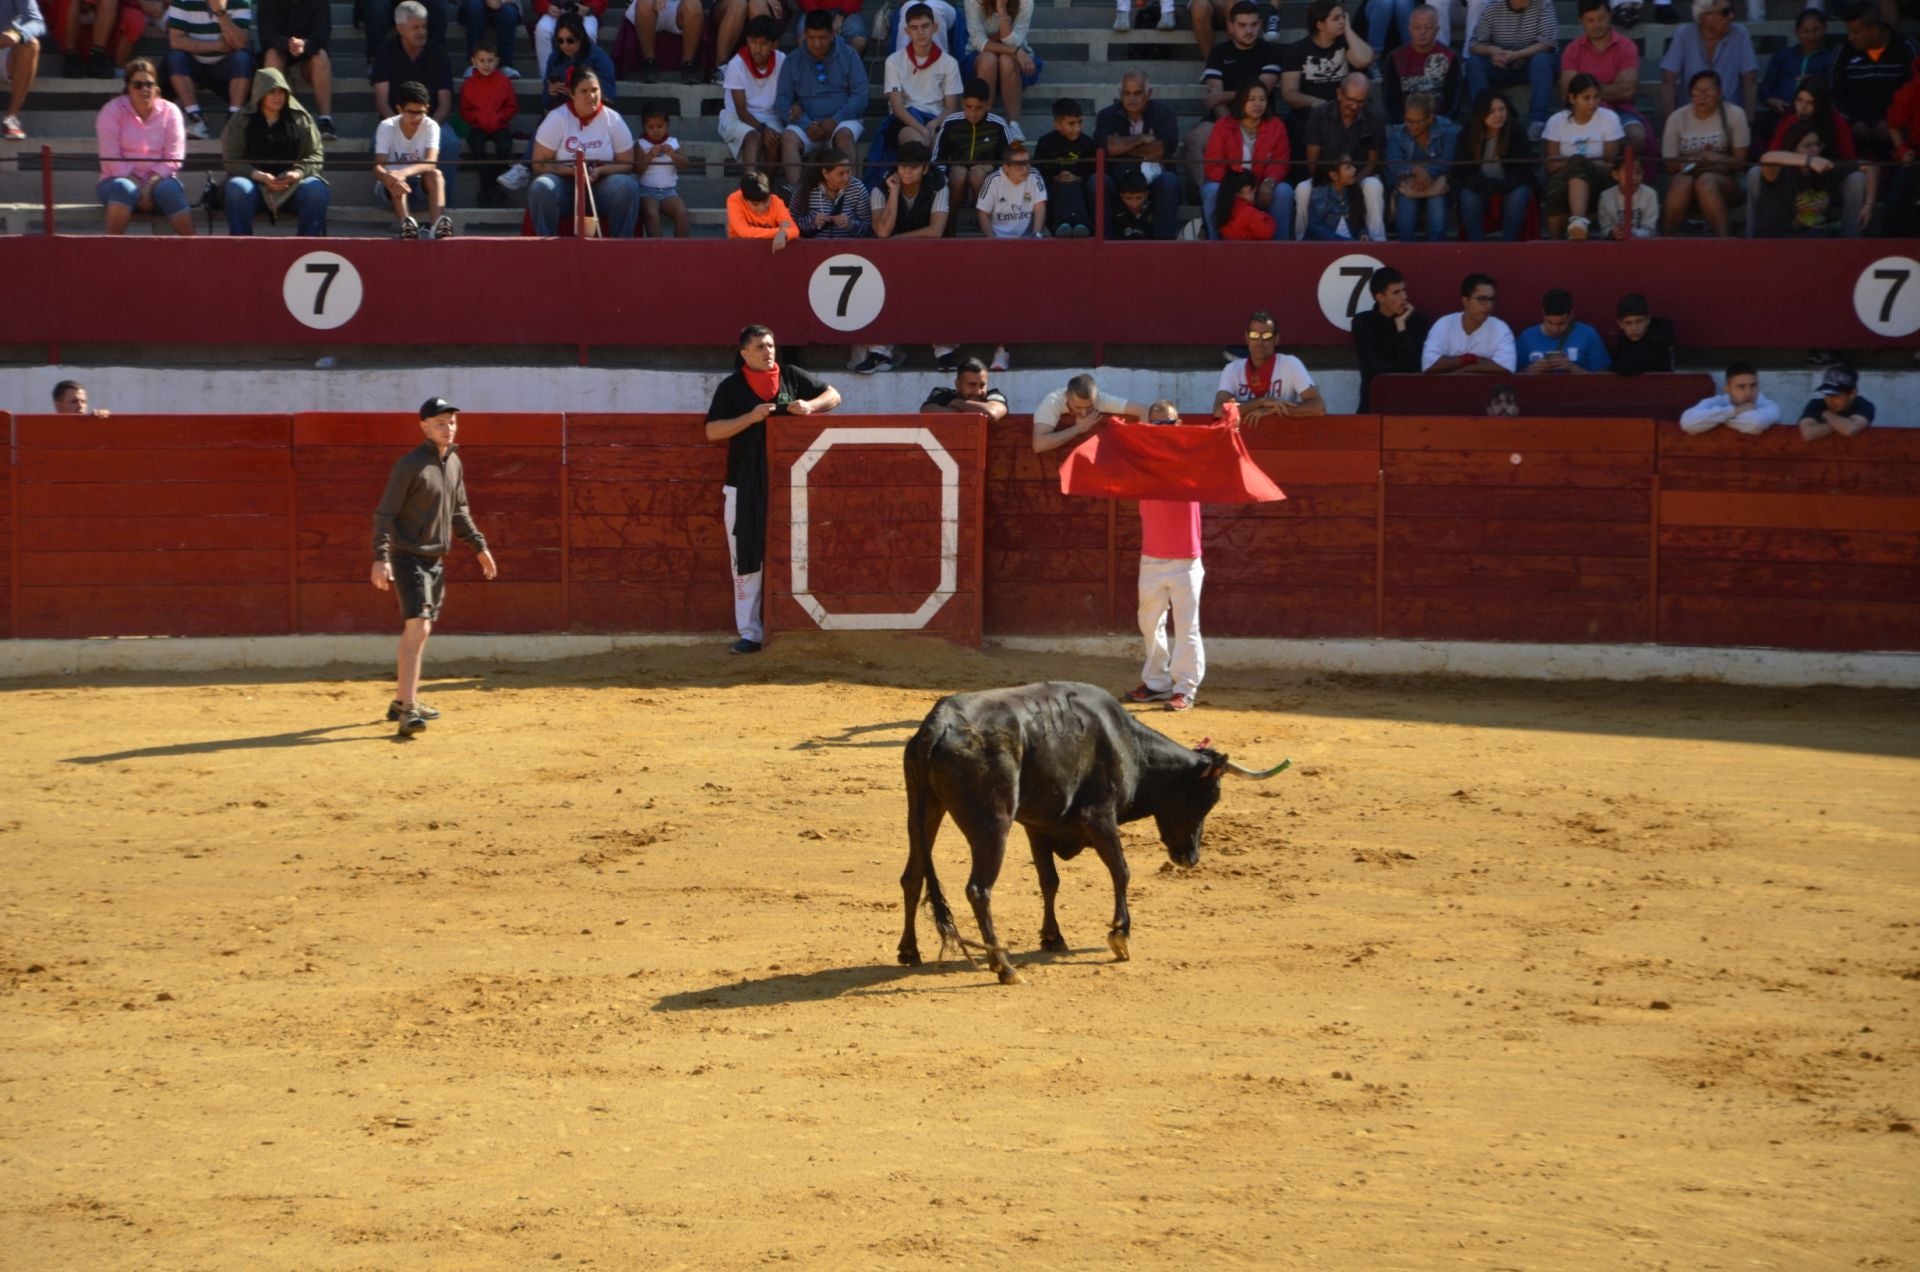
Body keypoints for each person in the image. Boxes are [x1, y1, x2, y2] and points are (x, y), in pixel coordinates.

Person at [703, 324, 841, 654]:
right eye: (761, 347)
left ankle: (799, 626)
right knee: (745, 560)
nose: (769, 352)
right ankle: (750, 632)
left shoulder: (792, 376)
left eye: (771, 345)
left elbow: (834, 395)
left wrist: (810, 407)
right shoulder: (732, 387)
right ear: (744, 353)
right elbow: (712, 432)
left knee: (798, 552)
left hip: (793, 483)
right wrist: (750, 418)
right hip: (743, 484)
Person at [372, 397, 498, 738]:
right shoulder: (409, 465)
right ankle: (409, 711)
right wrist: (381, 558)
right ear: (424, 426)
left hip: (434, 560)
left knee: (420, 629)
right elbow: (385, 514)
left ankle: (402, 700)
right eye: (440, 422)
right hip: (408, 556)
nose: (448, 428)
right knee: (420, 628)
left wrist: (479, 546)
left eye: (452, 422)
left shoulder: (454, 463)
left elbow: (459, 511)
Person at [1126, 398, 1209, 714]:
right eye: (1157, 424)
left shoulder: (1193, 458)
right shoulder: (1142, 460)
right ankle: (1158, 683)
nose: (1164, 430)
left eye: (1169, 424)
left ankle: (1185, 688)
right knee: (1149, 623)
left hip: (1186, 558)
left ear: (1179, 425)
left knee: (1187, 626)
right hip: (1152, 556)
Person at [862, 141, 955, 374]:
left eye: (913, 167)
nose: (906, 172)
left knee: (937, 291)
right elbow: (882, 232)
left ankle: (945, 352)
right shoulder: (882, 187)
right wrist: (893, 193)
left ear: (925, 169)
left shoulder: (938, 185)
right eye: (903, 166)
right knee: (880, 291)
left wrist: (898, 240)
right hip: (888, 259)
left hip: (930, 255)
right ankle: (879, 353)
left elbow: (936, 231)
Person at [1181, 1, 1280, 195]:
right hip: (1224, 118)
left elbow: (1261, 92)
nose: (1248, 30)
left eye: (1253, 25)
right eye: (1242, 25)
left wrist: (1223, 96)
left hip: (1261, 118)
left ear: (1260, 24)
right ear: (1231, 27)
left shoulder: (1271, 52)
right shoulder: (1218, 53)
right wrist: (1231, 127)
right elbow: (1215, 101)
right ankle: (1207, 197)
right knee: (1194, 140)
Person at [528, 68, 639, 235]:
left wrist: (601, 170)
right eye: (584, 91)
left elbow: (627, 163)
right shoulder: (557, 118)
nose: (591, 96)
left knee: (628, 186)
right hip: (565, 186)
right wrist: (572, 171)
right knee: (541, 187)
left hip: (602, 186)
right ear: (572, 94)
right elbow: (539, 164)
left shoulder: (613, 119)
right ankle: (546, 250)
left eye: (595, 90)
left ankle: (620, 249)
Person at [221, 66, 330, 235]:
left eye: (282, 92)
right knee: (237, 188)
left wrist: (298, 173)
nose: (277, 97)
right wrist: (258, 175)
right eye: (272, 92)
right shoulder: (241, 120)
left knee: (316, 190)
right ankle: (241, 248)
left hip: (294, 186)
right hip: (255, 186)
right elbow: (231, 159)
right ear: (260, 94)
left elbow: (316, 154)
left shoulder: (300, 118)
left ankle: (308, 248)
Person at [95, 58, 194, 235]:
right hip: (118, 182)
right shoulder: (112, 111)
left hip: (159, 182)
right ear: (128, 88)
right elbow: (110, 158)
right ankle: (110, 249)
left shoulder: (171, 111)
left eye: (149, 84)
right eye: (138, 84)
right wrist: (137, 185)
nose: (144, 89)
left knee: (170, 190)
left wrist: (148, 187)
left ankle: (195, 249)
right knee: (124, 188)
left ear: (156, 87)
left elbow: (174, 158)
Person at [774, 9, 865, 193]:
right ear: (804, 35)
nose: (816, 43)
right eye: (812, 37)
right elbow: (782, 101)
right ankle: (798, 192)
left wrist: (835, 120)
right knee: (788, 138)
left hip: (842, 120)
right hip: (807, 124)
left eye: (822, 37)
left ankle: (852, 193)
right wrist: (805, 123)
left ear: (832, 34)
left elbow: (860, 96)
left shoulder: (849, 55)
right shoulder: (793, 60)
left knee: (844, 135)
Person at [1293, 72, 1385, 241]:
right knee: (1302, 190)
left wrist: (1352, 183)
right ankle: (1301, 244)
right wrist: (1333, 183)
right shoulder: (1319, 114)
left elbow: (1372, 163)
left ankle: (1377, 242)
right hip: (1326, 177)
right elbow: (1312, 161)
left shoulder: (1374, 118)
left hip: (1358, 177)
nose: (1355, 106)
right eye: (1351, 99)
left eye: (1361, 101)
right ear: (1339, 94)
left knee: (1373, 186)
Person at [1661, 70, 1747, 237]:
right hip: (1687, 175)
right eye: (1697, 91)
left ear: (1720, 93)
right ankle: (1666, 240)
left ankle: (1724, 243)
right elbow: (1669, 165)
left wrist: (1715, 158)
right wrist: (1699, 159)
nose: (1702, 96)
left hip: (1726, 180)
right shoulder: (1677, 118)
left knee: (1705, 181)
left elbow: (1740, 162)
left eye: (1708, 91)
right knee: (1681, 182)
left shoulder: (1735, 114)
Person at [1200, 80, 1291, 239]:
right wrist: (1238, 187)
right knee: (1212, 190)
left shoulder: (1276, 126)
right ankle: (1214, 244)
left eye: (1262, 99)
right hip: (1230, 186)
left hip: (1262, 186)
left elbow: (1280, 161)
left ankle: (1280, 246)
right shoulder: (1223, 125)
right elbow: (1213, 164)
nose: (1258, 104)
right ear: (1241, 101)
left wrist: (1268, 183)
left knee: (1284, 191)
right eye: (1252, 99)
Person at [1095, 70, 1180, 239]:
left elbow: (1160, 150)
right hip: (1119, 178)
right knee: (1096, 181)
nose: (1131, 98)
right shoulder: (1107, 115)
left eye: (1137, 93)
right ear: (1120, 94)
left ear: (1148, 94)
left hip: (1154, 179)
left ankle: (1163, 247)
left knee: (1169, 181)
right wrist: (1141, 139)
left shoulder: (1164, 113)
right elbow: (1106, 148)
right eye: (1127, 93)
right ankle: (1103, 243)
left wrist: (1122, 144)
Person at [1750, 120, 1872, 237]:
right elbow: (1766, 158)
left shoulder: (1823, 166)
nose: (1815, 149)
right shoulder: (1781, 171)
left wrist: (1868, 204)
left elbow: (1870, 167)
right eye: (1808, 145)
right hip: (1779, 240)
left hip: (1814, 240)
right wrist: (1809, 161)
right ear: (1793, 148)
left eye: (1817, 144)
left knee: (1858, 177)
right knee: (1754, 171)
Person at [1278, 0, 1373, 147]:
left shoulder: (1347, 44)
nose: (1341, 21)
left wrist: (1347, 29)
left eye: (1343, 17)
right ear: (1320, 24)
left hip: (1346, 108)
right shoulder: (1296, 50)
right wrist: (1315, 102)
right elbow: (1289, 93)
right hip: (1311, 112)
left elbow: (1365, 59)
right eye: (1336, 19)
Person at [1542, 71, 1623, 240]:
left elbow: (1609, 164)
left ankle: (1577, 222)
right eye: (1586, 98)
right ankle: (1561, 238)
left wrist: (1576, 162)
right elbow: (1550, 166)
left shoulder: (1609, 119)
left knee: (1578, 164)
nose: (1592, 103)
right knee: (1560, 183)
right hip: (1563, 181)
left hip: (1599, 181)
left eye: (1596, 97)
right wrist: (1579, 161)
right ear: (1572, 99)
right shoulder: (1556, 121)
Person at [1832, 5, 1917, 162]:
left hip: (1898, 131)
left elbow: (1915, 92)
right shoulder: (1844, 49)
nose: (1850, 37)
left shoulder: (1905, 47)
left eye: (1856, 32)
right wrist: (1853, 121)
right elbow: (1836, 94)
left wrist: (1891, 123)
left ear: (1875, 30)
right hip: (1856, 131)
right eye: (1849, 32)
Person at [1560, 0, 1645, 154]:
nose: (1596, 25)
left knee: (1636, 135)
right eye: (1590, 20)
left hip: (1620, 111)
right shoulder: (1572, 50)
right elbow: (1568, 93)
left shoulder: (1626, 46)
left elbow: (1627, 92)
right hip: (1581, 112)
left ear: (1610, 16)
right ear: (1581, 21)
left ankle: (1618, 175)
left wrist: (1588, 89)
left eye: (1601, 18)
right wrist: (1608, 89)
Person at [1464, 0, 1556, 138]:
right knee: (1474, 63)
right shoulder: (1492, 8)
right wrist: (1492, 51)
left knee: (1542, 60)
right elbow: (1474, 45)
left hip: (1531, 65)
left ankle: (1538, 120)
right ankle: (1482, 117)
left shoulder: (1544, 5)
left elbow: (1547, 43)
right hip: (1500, 65)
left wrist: (1517, 55)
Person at [1659, 0, 1757, 127]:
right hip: (1690, 117)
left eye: (1732, 11)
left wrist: (1748, 122)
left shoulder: (1740, 33)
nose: (1731, 16)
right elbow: (1668, 80)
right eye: (1725, 12)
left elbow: (1750, 79)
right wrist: (1671, 124)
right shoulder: (1684, 34)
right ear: (1705, 17)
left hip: (1729, 119)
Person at [374, 80, 450, 238]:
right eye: (411, 112)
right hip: (391, 189)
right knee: (396, 179)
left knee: (436, 174)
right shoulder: (386, 126)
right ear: (399, 109)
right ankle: (406, 225)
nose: (417, 118)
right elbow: (378, 166)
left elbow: (431, 162)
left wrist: (403, 172)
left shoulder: (431, 126)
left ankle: (437, 226)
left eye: (421, 112)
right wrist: (391, 176)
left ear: (427, 109)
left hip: (420, 187)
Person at [1455, 88, 1535, 240]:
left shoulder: (1516, 131)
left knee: (1518, 195)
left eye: (1501, 109)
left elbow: (1523, 170)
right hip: (1480, 185)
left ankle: (1508, 245)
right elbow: (1462, 171)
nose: (1498, 115)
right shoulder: (1468, 133)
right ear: (1481, 113)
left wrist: (1504, 185)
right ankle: (1476, 246)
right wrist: (1485, 184)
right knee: (1467, 196)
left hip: (1510, 185)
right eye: (1492, 111)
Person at [166, 0, 252, 140]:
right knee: (175, 58)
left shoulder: (241, 2)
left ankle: (233, 122)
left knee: (243, 59)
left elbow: (240, 42)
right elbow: (176, 41)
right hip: (194, 62)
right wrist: (216, 46)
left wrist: (220, 12)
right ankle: (196, 119)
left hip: (226, 65)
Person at [1215, 311, 1323, 419]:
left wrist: (1272, 410)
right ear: (1247, 337)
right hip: (1243, 434)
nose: (1259, 341)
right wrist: (1261, 402)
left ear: (1276, 339)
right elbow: (1219, 411)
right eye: (1254, 335)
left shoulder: (1290, 364)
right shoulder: (1232, 369)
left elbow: (1318, 407)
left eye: (1266, 336)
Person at [1351, 265, 1430, 412]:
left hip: (1411, 406)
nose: (1404, 297)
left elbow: (1415, 368)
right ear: (1380, 297)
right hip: (1374, 405)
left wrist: (1401, 327)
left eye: (1404, 290)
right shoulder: (1363, 323)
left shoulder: (1417, 322)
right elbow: (1373, 369)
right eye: (1396, 293)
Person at [882, 4, 960, 153]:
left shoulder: (950, 63)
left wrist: (933, 124)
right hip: (905, 120)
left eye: (925, 26)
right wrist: (922, 130)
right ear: (907, 31)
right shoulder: (894, 61)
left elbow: (950, 107)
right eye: (914, 28)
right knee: (917, 145)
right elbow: (897, 107)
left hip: (937, 119)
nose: (920, 32)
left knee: (938, 145)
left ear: (935, 27)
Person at [933, 77, 1011, 223]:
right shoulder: (951, 123)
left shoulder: (998, 124)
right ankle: (950, 223)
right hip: (955, 183)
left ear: (988, 105)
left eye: (979, 108)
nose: (973, 113)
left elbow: (1009, 160)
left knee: (977, 174)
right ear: (962, 103)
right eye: (968, 107)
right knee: (959, 173)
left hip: (986, 182)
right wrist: (944, 178)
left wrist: (991, 166)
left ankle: (986, 224)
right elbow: (937, 160)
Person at [717, 14, 783, 177]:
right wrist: (763, 129)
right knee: (754, 137)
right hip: (737, 117)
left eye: (763, 43)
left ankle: (765, 189)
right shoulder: (736, 65)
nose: (757, 48)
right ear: (746, 40)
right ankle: (749, 186)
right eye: (753, 42)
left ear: (774, 44)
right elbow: (742, 112)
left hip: (770, 115)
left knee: (774, 142)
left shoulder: (782, 60)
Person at [257, 0, 334, 138]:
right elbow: (266, 35)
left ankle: (325, 120)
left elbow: (322, 34)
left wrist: (305, 45)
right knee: (271, 56)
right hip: (280, 49)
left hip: (308, 52)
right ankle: (275, 119)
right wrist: (287, 44)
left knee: (321, 56)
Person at [1387, 89, 1456, 242]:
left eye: (1416, 122)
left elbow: (1448, 161)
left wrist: (1428, 174)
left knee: (1436, 212)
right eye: (1407, 120)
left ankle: (1436, 258)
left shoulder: (1448, 130)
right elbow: (1393, 162)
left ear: (1430, 119)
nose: (1410, 125)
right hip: (1408, 183)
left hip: (1437, 184)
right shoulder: (1397, 133)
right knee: (1405, 223)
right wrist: (1415, 170)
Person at [371, 1, 453, 130]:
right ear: (400, 29)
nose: (421, 32)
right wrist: (400, 130)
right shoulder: (384, 54)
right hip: (395, 124)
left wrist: (429, 130)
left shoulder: (439, 54)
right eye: (415, 27)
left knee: (449, 143)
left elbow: (445, 104)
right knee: (378, 143)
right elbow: (381, 103)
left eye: (424, 26)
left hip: (431, 122)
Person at [1758, 8, 1836, 144]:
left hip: (1814, 118)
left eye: (1816, 30)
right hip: (1780, 115)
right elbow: (1765, 87)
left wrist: (1814, 81)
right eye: (1805, 31)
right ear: (1797, 32)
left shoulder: (1830, 58)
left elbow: (1834, 88)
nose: (1811, 36)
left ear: (1825, 28)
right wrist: (1771, 100)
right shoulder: (1784, 56)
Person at [1421, 272, 1515, 374]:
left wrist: (1464, 369)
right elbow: (1428, 365)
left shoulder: (1501, 328)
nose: (1489, 305)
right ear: (1465, 301)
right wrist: (1469, 359)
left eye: (1492, 299)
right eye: (1482, 299)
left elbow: (1506, 368)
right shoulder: (1444, 324)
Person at [1031, 372, 1147, 453]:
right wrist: (1078, 429)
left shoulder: (1100, 399)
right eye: (1077, 407)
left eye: (1090, 406)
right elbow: (1039, 445)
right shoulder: (1053, 401)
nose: (1084, 412)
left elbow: (1144, 410)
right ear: (1066, 396)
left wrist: (1138, 448)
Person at [964, 0, 1039, 126]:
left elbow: (1015, 42)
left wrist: (1001, 8)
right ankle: (984, 122)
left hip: (1014, 58)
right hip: (978, 56)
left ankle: (1014, 125)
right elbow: (978, 41)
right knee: (988, 60)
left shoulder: (1026, 2)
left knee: (1007, 60)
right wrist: (1015, 51)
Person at [459, 36, 515, 204]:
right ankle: (490, 188)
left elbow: (512, 106)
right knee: (476, 146)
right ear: (473, 62)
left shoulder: (504, 82)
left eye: (490, 60)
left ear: (497, 61)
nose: (486, 64)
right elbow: (464, 110)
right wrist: (475, 118)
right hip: (478, 126)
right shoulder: (469, 84)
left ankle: (489, 187)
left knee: (505, 146)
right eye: (482, 60)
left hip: (500, 125)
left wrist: (501, 117)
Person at [1381, 4, 1459, 120]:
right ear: (1410, 28)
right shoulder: (1395, 57)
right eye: (1417, 27)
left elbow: (1453, 100)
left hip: (1439, 123)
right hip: (1406, 122)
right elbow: (1390, 100)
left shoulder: (1451, 57)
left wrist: (1441, 123)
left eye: (1428, 27)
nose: (1422, 32)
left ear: (1437, 30)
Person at [1033, 97, 1095, 236]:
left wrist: (1078, 178)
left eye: (1080, 122)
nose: (1077, 128)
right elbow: (1038, 172)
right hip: (1055, 192)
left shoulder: (1088, 143)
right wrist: (1056, 177)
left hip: (1081, 191)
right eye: (1071, 124)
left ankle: (1080, 224)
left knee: (1072, 186)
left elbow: (1093, 171)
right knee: (1064, 186)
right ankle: (1062, 224)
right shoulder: (1045, 143)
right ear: (1058, 125)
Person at [1515, 288, 1611, 374]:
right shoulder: (1526, 337)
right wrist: (1531, 371)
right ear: (1543, 313)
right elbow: (1514, 377)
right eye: (1550, 323)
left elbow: (1602, 377)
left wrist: (1573, 368)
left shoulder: (1588, 335)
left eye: (1561, 324)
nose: (1555, 329)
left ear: (1571, 315)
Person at [630, 100, 689, 236]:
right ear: (644, 127)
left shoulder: (673, 143)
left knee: (683, 214)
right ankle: (657, 251)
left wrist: (672, 154)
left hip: (669, 192)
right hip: (647, 192)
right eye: (651, 127)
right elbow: (636, 170)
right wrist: (650, 155)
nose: (655, 130)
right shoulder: (641, 144)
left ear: (667, 125)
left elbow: (685, 165)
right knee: (651, 214)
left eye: (660, 126)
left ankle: (682, 251)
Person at [53, 0, 152, 80]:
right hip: (69, 27)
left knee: (134, 19)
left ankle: (101, 61)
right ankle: (70, 57)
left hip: (107, 33)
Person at [1678, 361, 1781, 434]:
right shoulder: (1716, 402)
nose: (1748, 392)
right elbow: (1687, 422)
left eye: (1753, 385)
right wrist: (1734, 411)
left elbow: (1755, 424)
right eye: (1741, 387)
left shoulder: (1770, 406)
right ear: (1727, 389)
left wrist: (1717, 419)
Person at [794, 144, 873, 237]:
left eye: (848, 171)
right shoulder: (805, 188)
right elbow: (791, 222)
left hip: (848, 249)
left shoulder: (857, 188)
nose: (847, 178)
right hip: (814, 247)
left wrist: (850, 224)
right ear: (825, 174)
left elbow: (869, 228)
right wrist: (812, 222)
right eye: (841, 174)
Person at [976, 139, 1045, 238]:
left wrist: (1037, 235)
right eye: (1019, 165)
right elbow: (983, 213)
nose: (1025, 169)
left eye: (1027, 163)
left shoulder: (1034, 175)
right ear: (1006, 167)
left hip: (1027, 239)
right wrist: (992, 241)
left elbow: (1040, 207)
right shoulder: (994, 180)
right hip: (998, 238)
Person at [629, 0, 705, 84]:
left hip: (680, 6)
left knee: (693, 4)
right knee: (645, 3)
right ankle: (649, 63)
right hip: (650, 5)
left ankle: (688, 64)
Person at [1796, 364, 1875, 440]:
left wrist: (1827, 414)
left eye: (1836, 396)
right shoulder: (1816, 404)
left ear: (1852, 393)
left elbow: (1850, 430)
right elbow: (1808, 434)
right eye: (1827, 394)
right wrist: (1840, 425)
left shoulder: (1863, 405)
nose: (1830, 400)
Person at [726, 169, 799, 249]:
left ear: (770, 195)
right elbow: (743, 232)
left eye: (765, 202)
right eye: (755, 204)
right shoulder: (734, 200)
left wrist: (784, 233)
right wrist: (781, 232)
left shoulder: (776, 202)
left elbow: (795, 230)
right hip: (740, 250)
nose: (761, 208)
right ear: (744, 200)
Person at [920, 356, 1009, 419]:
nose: (978, 392)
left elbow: (992, 413)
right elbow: (927, 411)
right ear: (958, 384)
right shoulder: (943, 393)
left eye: (982, 385)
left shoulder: (994, 394)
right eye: (972, 385)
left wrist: (958, 403)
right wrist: (972, 409)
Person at [1609, 292, 1675, 375]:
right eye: (1628, 323)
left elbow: (1626, 366)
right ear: (1620, 324)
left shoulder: (1662, 332)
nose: (1634, 328)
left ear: (1648, 320)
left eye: (1639, 321)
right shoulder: (1623, 337)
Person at [530, 0, 601, 77]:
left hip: (583, 11)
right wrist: (546, 7)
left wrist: (589, 8)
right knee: (542, 29)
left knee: (589, 32)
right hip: (556, 10)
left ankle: (584, 76)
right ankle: (547, 77)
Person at [1595, 148, 1657, 237]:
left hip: (1641, 244)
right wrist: (1613, 233)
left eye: (1638, 173)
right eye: (1628, 172)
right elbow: (1605, 228)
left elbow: (1650, 229)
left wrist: (1632, 234)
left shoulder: (1650, 194)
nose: (1634, 177)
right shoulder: (1606, 196)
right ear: (1615, 174)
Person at [459, 0, 518, 75]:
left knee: (508, 13)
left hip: (505, 4)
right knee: (475, 6)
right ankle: (474, 64)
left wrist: (502, 1)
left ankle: (505, 65)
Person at [1111, 168, 1156, 238]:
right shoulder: (1115, 209)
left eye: (1139, 198)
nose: (1134, 204)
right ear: (1122, 196)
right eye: (1129, 198)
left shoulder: (1154, 209)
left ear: (1146, 195)